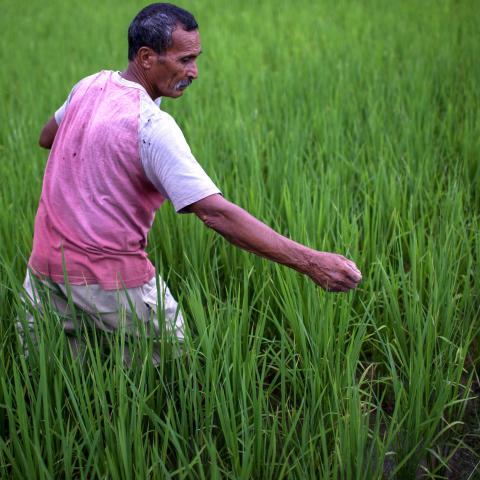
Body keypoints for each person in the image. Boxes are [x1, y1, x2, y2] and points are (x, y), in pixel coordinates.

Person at [20, 3, 362, 358]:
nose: (194, 71)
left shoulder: (90, 85)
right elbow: (217, 214)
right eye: (184, 60)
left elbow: (48, 136)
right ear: (147, 57)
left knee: (55, 387)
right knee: (179, 372)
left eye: (196, 59)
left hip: (44, 273)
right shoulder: (152, 127)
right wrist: (312, 262)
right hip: (113, 282)